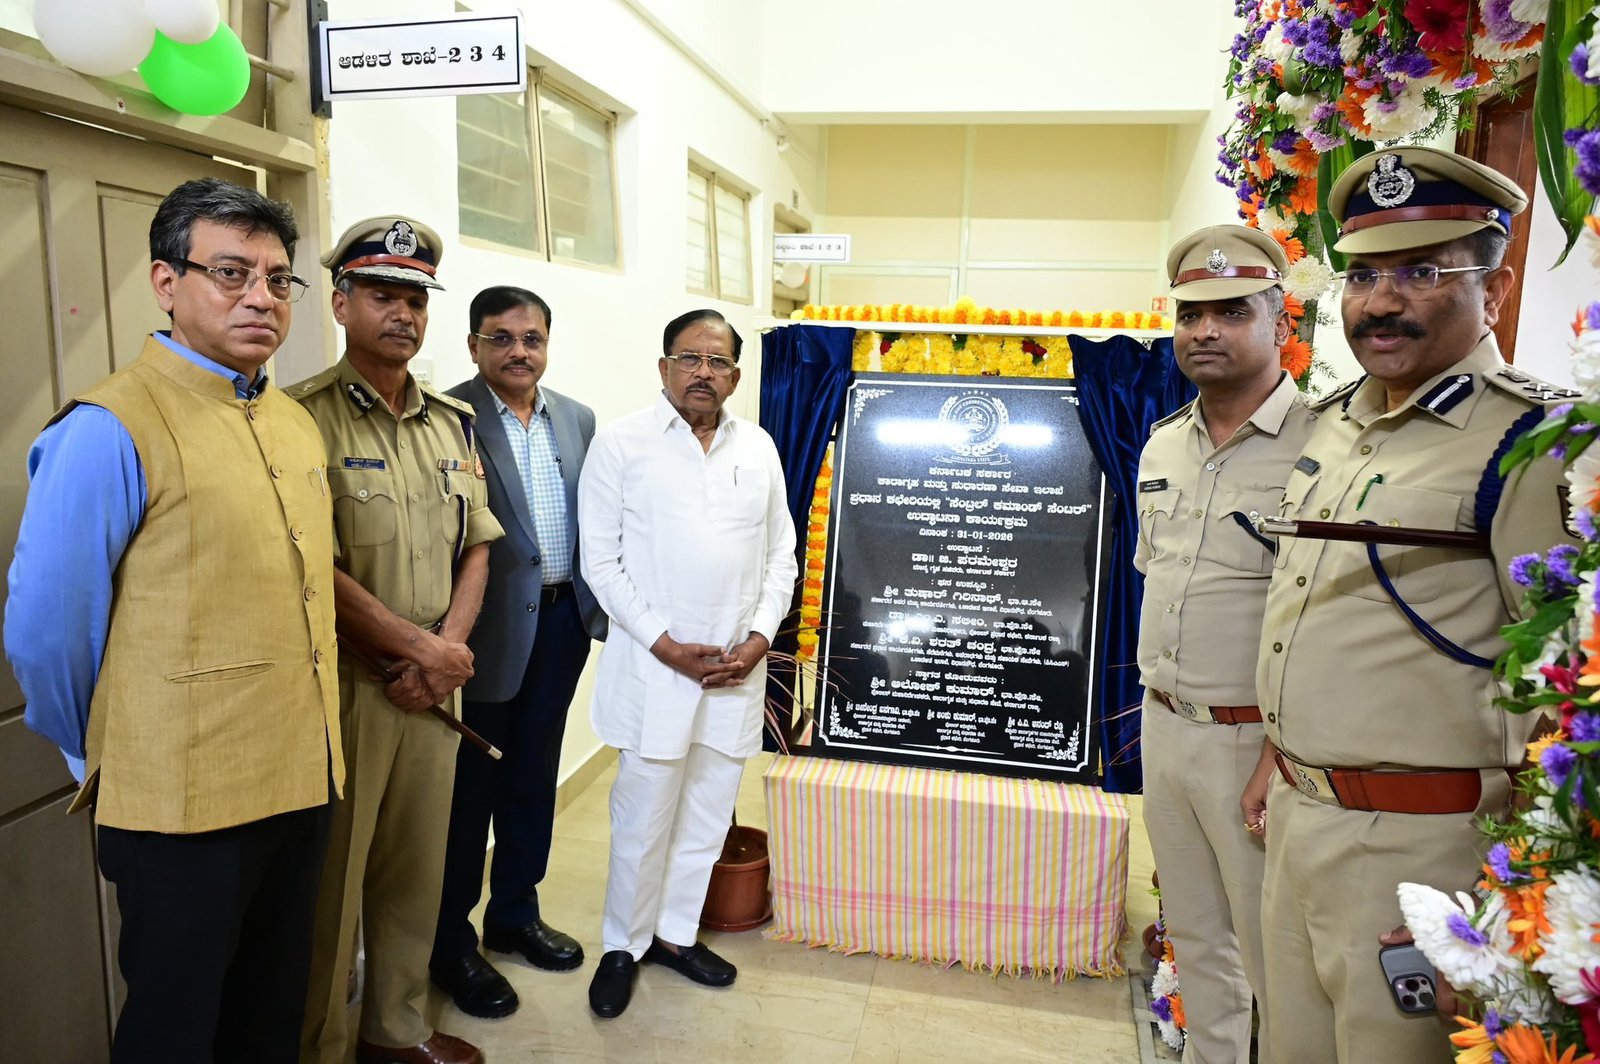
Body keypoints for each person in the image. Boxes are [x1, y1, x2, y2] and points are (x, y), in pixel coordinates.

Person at [4, 178, 340, 1062]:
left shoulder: (291, 421)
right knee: (175, 1032)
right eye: (231, 273)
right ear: (166, 282)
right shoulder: (112, 425)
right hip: (179, 807)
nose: (261, 297)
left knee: (268, 1019)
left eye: (278, 279)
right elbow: (46, 633)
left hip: (301, 781)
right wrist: (105, 753)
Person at [1255, 146, 1575, 1063]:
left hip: (1426, 849)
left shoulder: (1535, 441)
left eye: (1422, 273)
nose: (1380, 301)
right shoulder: (1336, 423)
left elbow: (1567, 692)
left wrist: (1510, 898)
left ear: (1495, 290)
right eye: (1363, 276)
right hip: (1299, 819)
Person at [290, 217, 502, 1064]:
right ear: (341, 302)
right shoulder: (300, 418)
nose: (403, 314)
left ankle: (395, 1031)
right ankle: (322, 1044)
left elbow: (478, 543)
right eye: (383, 295)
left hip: (434, 691)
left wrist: (447, 654)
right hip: (352, 687)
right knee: (332, 887)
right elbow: (310, 563)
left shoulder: (453, 422)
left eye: (416, 300)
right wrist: (419, 652)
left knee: (417, 872)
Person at [577, 309, 797, 1019]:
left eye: (718, 361)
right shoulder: (621, 443)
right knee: (642, 818)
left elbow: (782, 556)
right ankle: (623, 946)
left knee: (706, 814)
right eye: (690, 358)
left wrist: (759, 639)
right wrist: (665, 644)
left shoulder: (757, 447)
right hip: (656, 671)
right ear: (664, 366)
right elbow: (601, 563)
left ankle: (674, 935)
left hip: (735, 673)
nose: (704, 372)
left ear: (736, 374)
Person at [1135, 225, 1314, 1064]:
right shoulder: (1163, 442)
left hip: (1257, 746)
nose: (1205, 330)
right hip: (1165, 726)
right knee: (1198, 939)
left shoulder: (1324, 445)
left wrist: (1281, 752)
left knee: (1277, 962)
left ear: (1281, 321)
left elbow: (1323, 623)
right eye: (1191, 314)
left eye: (1233, 311)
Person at [430, 286, 608, 1018]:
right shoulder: (449, 417)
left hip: (562, 626)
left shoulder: (577, 417)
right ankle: (450, 941)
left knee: (535, 778)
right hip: (485, 634)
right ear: (474, 345)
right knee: (469, 794)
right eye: (500, 338)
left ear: (547, 344)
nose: (518, 352)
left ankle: (514, 916)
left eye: (531, 338)